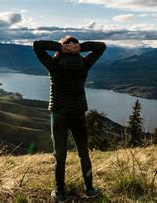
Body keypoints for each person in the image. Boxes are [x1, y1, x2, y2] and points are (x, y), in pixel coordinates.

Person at [32, 36, 106, 202]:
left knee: (60, 154)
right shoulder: (84, 64)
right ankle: (90, 189)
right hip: (78, 112)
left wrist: (60, 46)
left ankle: (59, 192)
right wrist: (81, 47)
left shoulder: (54, 65)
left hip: (59, 113)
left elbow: (37, 46)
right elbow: (101, 46)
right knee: (83, 152)